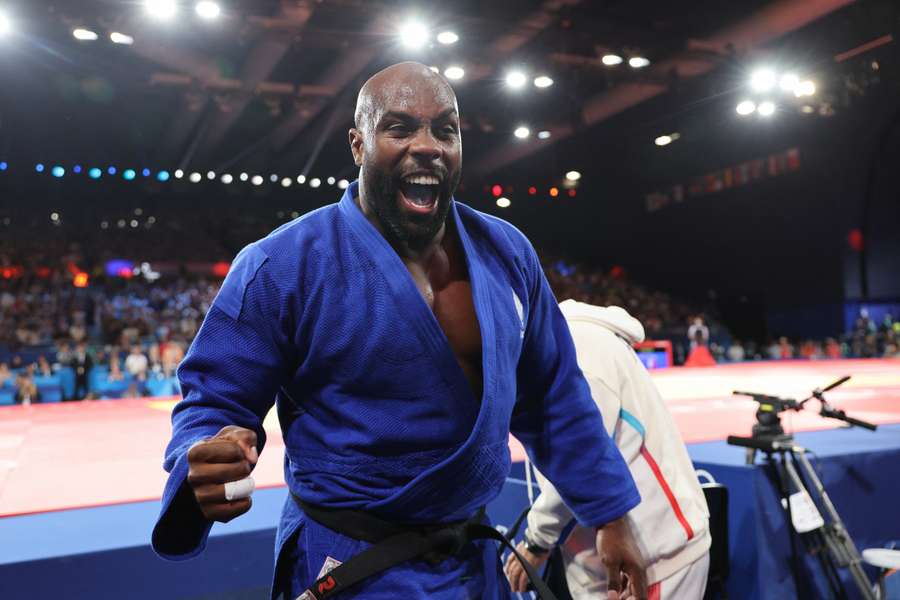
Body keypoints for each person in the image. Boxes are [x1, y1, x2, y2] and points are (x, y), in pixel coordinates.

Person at [152, 62, 645, 600]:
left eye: (445, 129)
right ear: (358, 144)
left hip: (471, 560)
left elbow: (553, 398)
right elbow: (213, 402)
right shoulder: (282, 264)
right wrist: (204, 452)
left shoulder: (507, 253)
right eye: (400, 127)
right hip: (352, 563)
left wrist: (611, 514)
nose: (428, 145)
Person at [505, 302, 710, 599]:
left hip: (652, 559)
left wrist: (537, 540)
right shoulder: (559, 344)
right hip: (618, 561)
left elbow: (580, 461)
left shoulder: (579, 348)